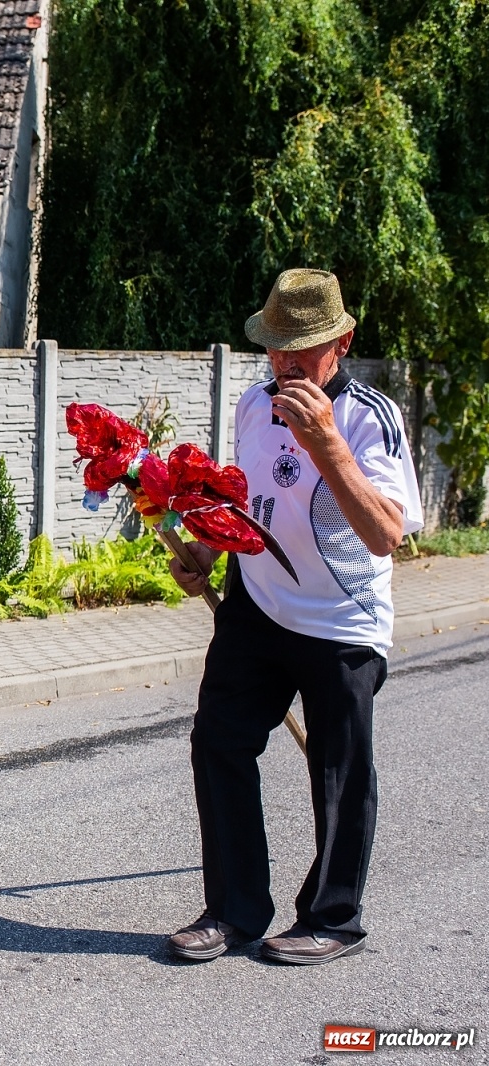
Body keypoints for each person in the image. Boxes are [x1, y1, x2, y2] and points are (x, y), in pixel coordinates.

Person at [167, 269, 423, 965]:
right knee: (219, 741)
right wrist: (202, 549)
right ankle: (234, 912)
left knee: (340, 770)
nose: (286, 364)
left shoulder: (371, 417)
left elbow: (386, 534)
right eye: (276, 348)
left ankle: (332, 919)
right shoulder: (254, 405)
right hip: (259, 606)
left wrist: (326, 442)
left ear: (341, 342)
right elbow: (249, 501)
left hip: (343, 621)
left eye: (302, 348)